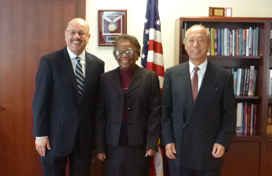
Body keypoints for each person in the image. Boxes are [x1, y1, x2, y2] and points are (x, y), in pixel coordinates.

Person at [161, 25, 236, 176]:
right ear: (185, 45)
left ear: (209, 45)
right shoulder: (172, 74)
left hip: (209, 150)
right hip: (179, 149)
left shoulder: (223, 76)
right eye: (191, 40)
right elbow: (164, 112)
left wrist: (222, 141)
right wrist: (167, 141)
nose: (195, 45)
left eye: (201, 40)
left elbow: (229, 115)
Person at [32, 18, 104, 176]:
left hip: (84, 138)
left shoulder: (98, 64)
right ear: (65, 35)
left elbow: (98, 105)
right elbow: (40, 101)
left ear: (88, 36)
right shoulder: (50, 61)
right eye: (72, 32)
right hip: (54, 137)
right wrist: (40, 134)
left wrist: (98, 140)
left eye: (81, 33)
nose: (76, 36)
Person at [95, 34, 161, 176]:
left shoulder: (149, 77)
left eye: (129, 52)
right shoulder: (105, 79)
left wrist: (151, 144)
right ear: (115, 54)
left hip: (140, 144)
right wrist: (99, 147)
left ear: (137, 54)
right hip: (112, 144)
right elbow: (100, 115)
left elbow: (154, 113)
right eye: (119, 52)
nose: (124, 55)